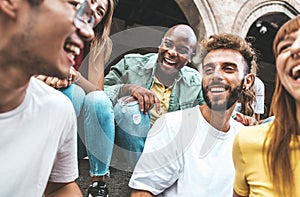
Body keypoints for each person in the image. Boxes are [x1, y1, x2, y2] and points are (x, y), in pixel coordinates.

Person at [129, 33, 257, 197]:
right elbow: (142, 193)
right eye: (209, 69)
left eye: (228, 68)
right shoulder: (173, 126)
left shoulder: (246, 139)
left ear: (247, 81)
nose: (216, 76)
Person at [0, 0, 95, 196]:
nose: (89, 32)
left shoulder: (58, 109)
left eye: (90, 19)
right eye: (76, 6)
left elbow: (60, 187)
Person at [102, 24, 203, 170]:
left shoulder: (195, 81)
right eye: (168, 44)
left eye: (182, 51)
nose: (172, 52)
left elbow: (210, 114)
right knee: (129, 108)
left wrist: (240, 119)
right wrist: (126, 89)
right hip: (127, 151)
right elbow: (98, 95)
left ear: (190, 57)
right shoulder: (130, 63)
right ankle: (144, 173)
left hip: (168, 153)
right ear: (160, 43)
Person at [233, 16, 300, 197]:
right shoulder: (248, 141)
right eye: (285, 46)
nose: (295, 48)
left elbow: (258, 116)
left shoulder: (258, 86)